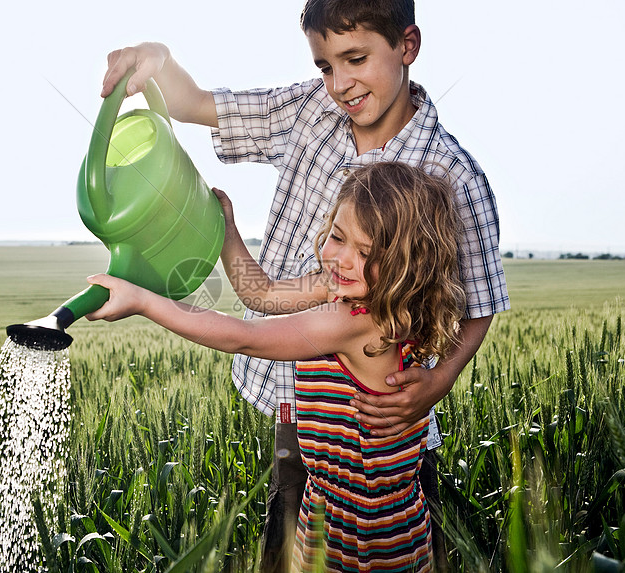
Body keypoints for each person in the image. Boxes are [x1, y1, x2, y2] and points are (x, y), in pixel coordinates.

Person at [101, 0, 510, 569]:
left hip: (386, 437)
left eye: (356, 58)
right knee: (293, 535)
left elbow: (483, 303)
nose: (339, 84)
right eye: (324, 66)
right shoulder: (309, 115)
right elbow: (262, 296)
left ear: (408, 47)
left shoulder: (452, 175)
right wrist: (159, 60)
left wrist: (437, 383)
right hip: (305, 426)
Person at [86, 161, 467, 572]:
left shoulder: (357, 323)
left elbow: (242, 336)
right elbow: (260, 292)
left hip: (367, 539)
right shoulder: (360, 295)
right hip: (331, 514)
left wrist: (144, 301)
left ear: (404, 266)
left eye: (365, 253)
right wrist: (227, 231)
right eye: (337, 237)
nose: (340, 259)